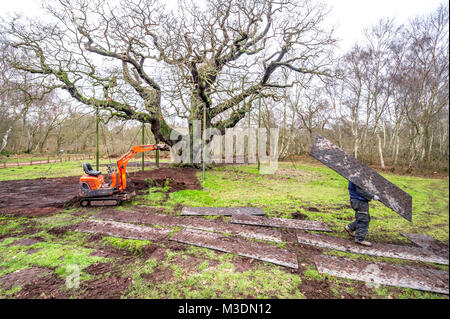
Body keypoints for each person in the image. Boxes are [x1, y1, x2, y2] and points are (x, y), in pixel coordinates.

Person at [344, 181, 380, 247]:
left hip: (358, 201)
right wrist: (372, 196)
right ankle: (359, 239)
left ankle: (350, 227)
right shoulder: (357, 178)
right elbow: (361, 191)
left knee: (365, 218)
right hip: (359, 202)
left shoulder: (355, 175)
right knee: (363, 220)